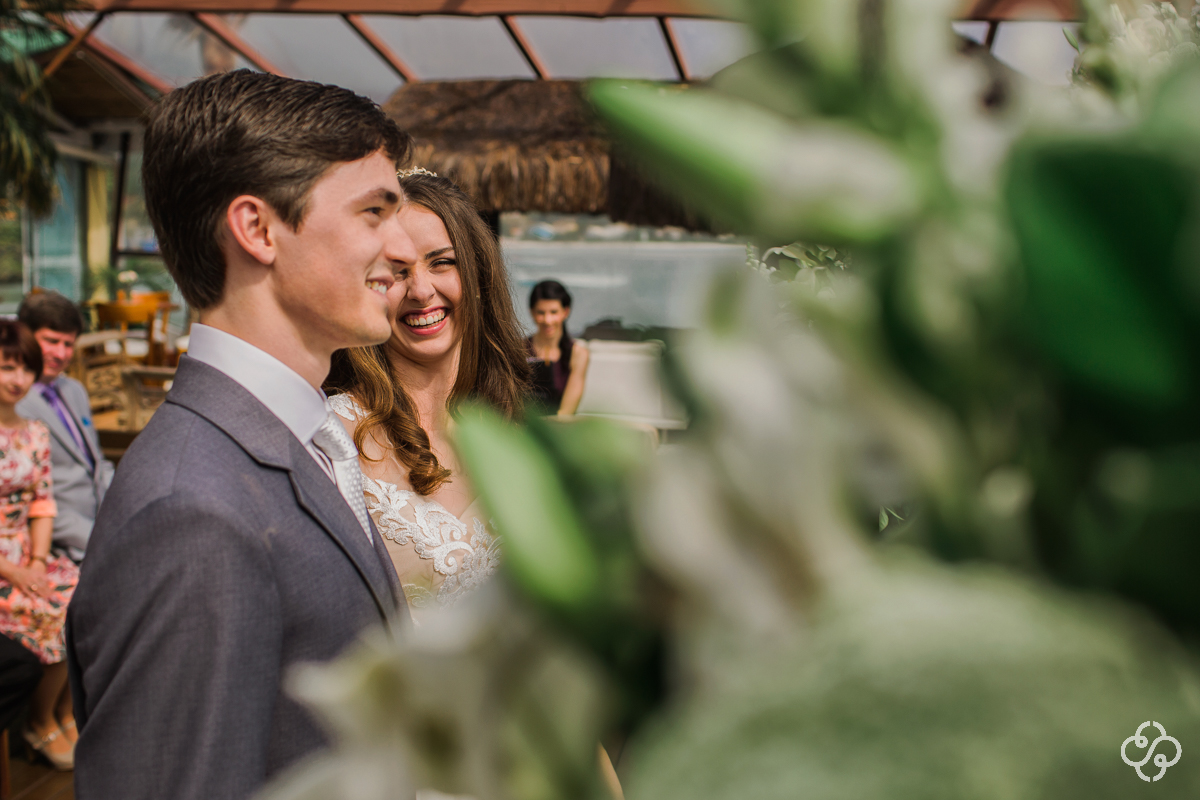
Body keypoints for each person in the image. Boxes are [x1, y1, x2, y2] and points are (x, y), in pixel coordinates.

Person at [66, 70, 411, 800]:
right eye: (375, 212)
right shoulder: (190, 510)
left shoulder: (299, 439)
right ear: (257, 229)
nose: (404, 245)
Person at [325, 167, 529, 621]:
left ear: (476, 274)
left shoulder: (517, 434)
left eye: (442, 262)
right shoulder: (330, 440)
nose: (421, 291)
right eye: (397, 272)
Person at [0, 320, 80, 771]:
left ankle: (64, 710)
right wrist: (17, 572)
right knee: (50, 606)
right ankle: (39, 719)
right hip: (2, 568)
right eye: (6, 368)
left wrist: (36, 559)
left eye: (24, 369)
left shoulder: (34, 433)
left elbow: (42, 504)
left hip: (27, 553)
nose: (17, 380)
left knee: (83, 592)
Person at [16, 291, 115, 563]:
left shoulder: (74, 390)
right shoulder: (12, 405)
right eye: (51, 341)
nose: (60, 353)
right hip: (61, 547)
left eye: (68, 344)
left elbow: (97, 465)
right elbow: (27, 501)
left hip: (105, 526)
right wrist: (102, 540)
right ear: (25, 335)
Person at [526, 280, 589, 415]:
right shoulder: (517, 350)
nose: (548, 320)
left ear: (565, 312)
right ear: (532, 313)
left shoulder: (578, 354)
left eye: (554, 312)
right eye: (541, 313)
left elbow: (566, 412)